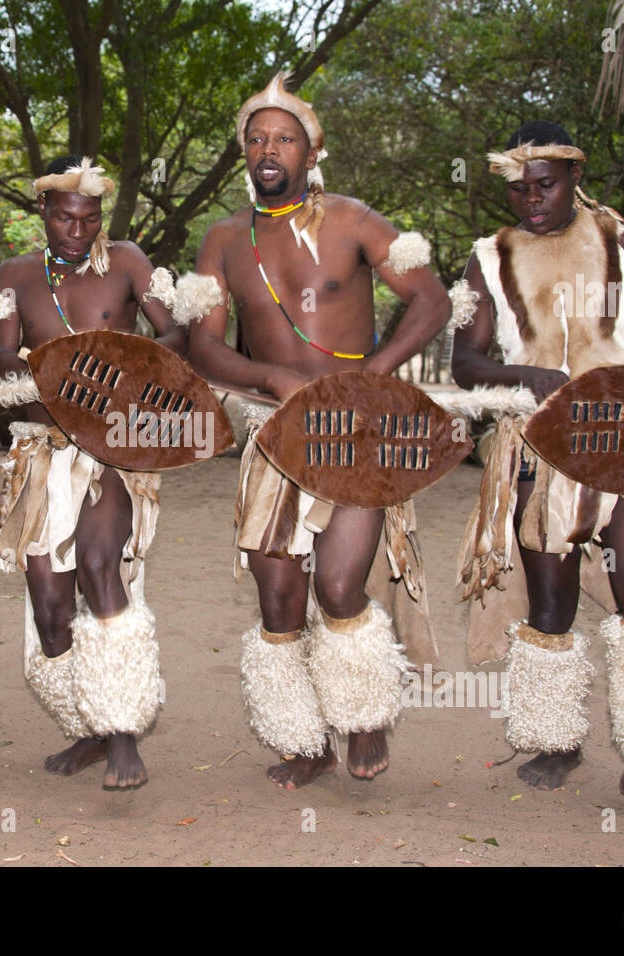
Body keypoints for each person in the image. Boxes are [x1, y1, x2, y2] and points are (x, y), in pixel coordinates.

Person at [184, 74, 450, 790]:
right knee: (278, 603)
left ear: (311, 150)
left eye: (285, 138)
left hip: (354, 430)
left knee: (337, 587)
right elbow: (204, 347)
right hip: (275, 435)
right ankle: (303, 741)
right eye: (257, 138)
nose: (269, 149)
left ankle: (363, 716)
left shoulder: (356, 220)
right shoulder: (224, 239)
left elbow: (431, 299)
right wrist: (273, 380)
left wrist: (374, 377)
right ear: (245, 151)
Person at [451, 121, 624, 833]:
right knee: (551, 604)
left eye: (546, 185)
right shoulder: (488, 258)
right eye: (519, 188)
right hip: (540, 447)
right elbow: (464, 364)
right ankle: (558, 740)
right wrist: (524, 373)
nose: (532, 200)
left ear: (574, 175)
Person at [0, 156, 184, 789]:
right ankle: (92, 728)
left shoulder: (126, 262)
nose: (78, 231)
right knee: (50, 611)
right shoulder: (14, 275)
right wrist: (61, 393)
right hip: (43, 446)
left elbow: (178, 333)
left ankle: (123, 734)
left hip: (114, 445)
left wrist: (123, 379)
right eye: (66, 219)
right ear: (43, 212)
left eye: (90, 219)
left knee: (100, 564)